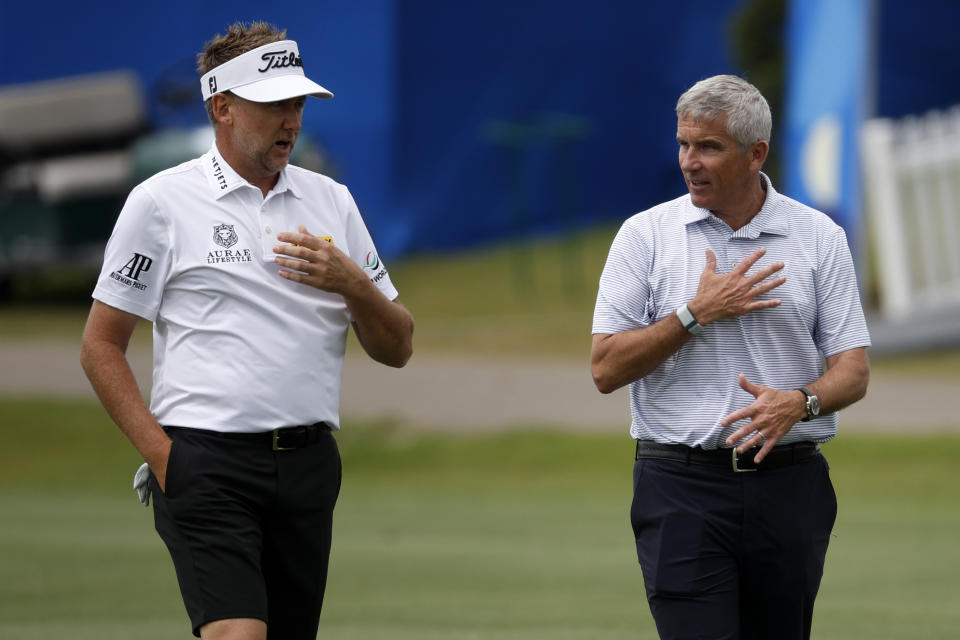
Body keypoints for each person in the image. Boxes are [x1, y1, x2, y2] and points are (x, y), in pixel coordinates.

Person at [80, 21, 414, 640]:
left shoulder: (332, 201)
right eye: (273, 104)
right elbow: (101, 346)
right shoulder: (160, 203)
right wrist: (165, 460)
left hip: (309, 464)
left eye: (298, 104)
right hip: (204, 463)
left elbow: (398, 346)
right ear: (222, 107)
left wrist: (354, 284)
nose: (291, 120)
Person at [590, 74, 870, 639]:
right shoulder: (644, 235)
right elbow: (605, 367)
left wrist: (800, 401)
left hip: (790, 487)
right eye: (683, 144)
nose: (689, 161)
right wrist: (695, 314)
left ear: (755, 154)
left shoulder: (818, 237)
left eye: (709, 147)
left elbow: (853, 371)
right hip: (680, 485)